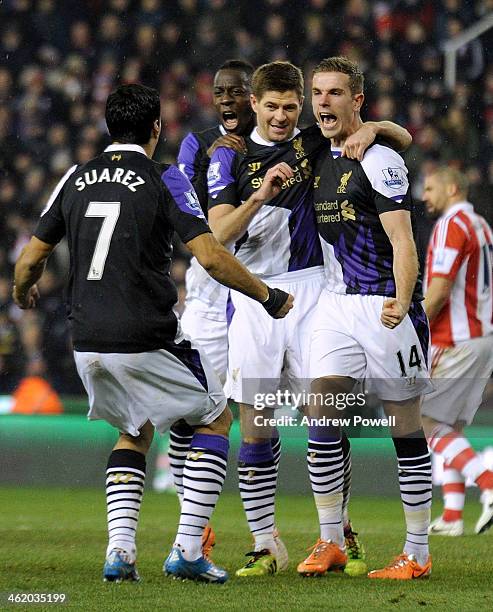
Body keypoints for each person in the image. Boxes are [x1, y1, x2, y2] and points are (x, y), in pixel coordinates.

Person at [12, 83, 293, 584]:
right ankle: (187, 548)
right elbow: (208, 255)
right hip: (143, 333)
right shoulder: (165, 176)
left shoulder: (74, 178)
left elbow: (31, 258)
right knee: (215, 417)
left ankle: (120, 554)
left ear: (107, 127)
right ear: (156, 129)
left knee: (135, 430)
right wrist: (267, 295)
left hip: (86, 341)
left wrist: (23, 292)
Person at [207, 60, 412, 577]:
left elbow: (399, 138)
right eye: (271, 106)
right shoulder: (228, 156)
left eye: (290, 106)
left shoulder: (314, 143)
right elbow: (220, 236)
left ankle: (340, 533)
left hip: (314, 293)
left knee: (327, 418)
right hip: (254, 299)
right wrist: (260, 195)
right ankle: (263, 543)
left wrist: (372, 126)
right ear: (253, 104)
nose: (281, 116)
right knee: (255, 428)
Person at [303, 56, 433, 580]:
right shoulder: (317, 150)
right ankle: (332, 541)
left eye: (335, 93)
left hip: (383, 305)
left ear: (356, 100)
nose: (323, 102)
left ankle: (418, 552)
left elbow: (403, 240)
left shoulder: (378, 161)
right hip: (336, 303)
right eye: (318, 93)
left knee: (404, 425)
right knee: (320, 411)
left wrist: (403, 300)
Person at [156, 61, 255, 511]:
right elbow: (184, 211)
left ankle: (324, 530)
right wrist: (216, 162)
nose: (227, 99)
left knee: (262, 414)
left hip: (267, 284)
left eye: (237, 90)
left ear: (254, 94)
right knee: (190, 408)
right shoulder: (198, 143)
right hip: (212, 290)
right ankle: (194, 526)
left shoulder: (278, 137)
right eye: (220, 91)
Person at [421, 167, 493, 536]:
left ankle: (488, 482)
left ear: (452, 187)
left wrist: (414, 325)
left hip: (454, 337)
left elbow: (440, 287)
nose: (424, 195)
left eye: (430, 187)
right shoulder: (482, 226)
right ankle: (452, 515)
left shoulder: (453, 225)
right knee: (450, 427)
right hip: (482, 336)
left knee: (426, 419)